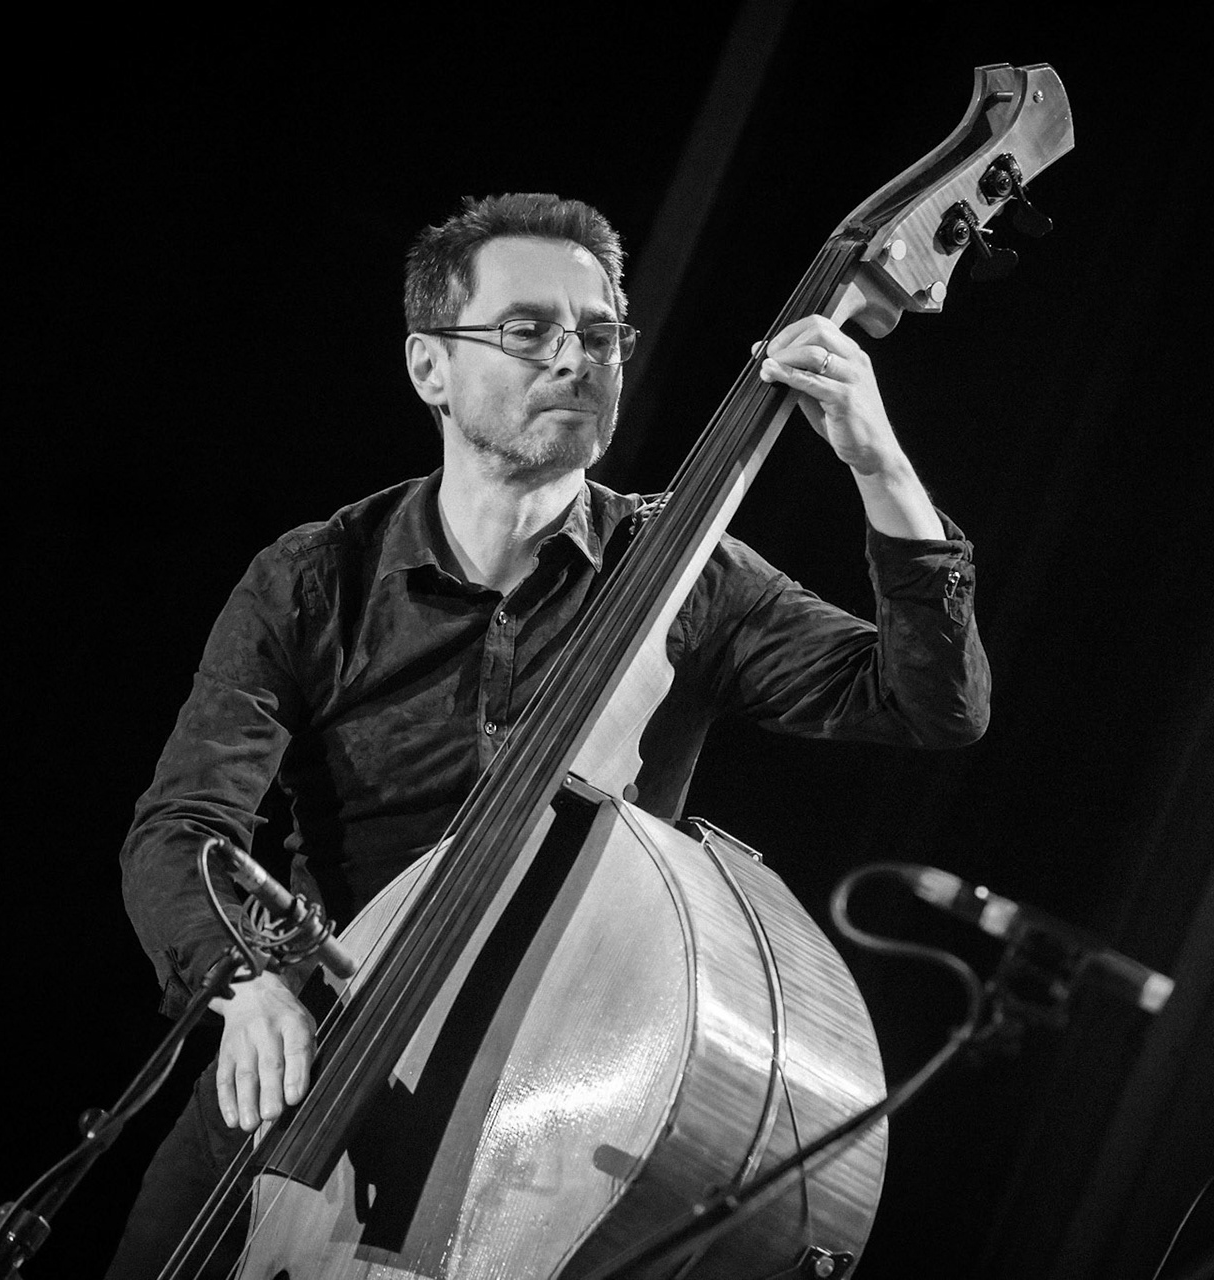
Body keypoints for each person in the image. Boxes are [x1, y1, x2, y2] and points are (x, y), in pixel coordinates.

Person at [105, 192, 990, 1276]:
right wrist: (244, 985)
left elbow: (932, 703)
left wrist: (877, 462)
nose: (575, 358)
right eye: (528, 330)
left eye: (602, 333)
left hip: (539, 1118)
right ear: (430, 365)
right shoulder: (316, 578)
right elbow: (182, 827)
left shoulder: (690, 575)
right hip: (298, 1070)